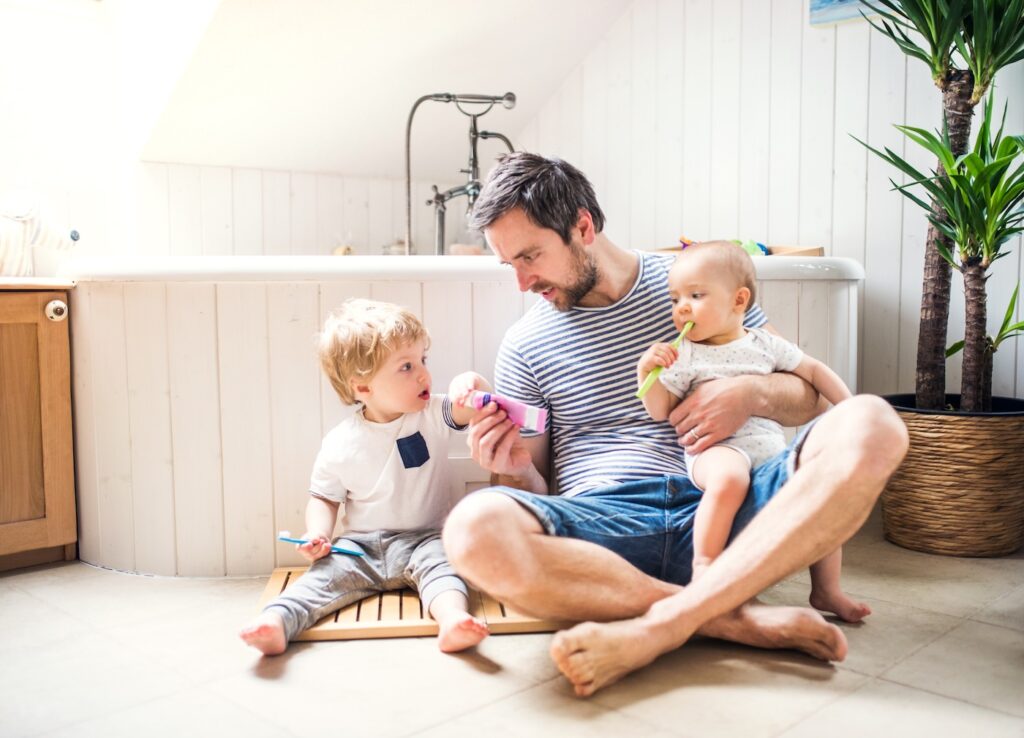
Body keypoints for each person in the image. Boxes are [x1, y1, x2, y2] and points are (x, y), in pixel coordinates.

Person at [441, 153, 908, 696]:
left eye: (531, 256)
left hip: (733, 503)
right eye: (509, 265)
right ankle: (728, 619)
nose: (522, 282)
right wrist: (514, 468)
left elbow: (805, 397)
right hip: (609, 530)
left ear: (583, 227)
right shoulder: (524, 345)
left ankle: (662, 625)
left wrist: (749, 391)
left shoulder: (694, 284)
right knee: (471, 528)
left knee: (872, 421)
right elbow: (538, 491)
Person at [240, 298, 491, 656]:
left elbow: (473, 404)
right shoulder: (341, 442)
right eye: (406, 366)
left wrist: (472, 382)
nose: (423, 374)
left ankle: (452, 620)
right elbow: (324, 498)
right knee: (320, 581)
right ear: (362, 388)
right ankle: (277, 622)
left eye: (423, 360)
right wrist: (319, 534)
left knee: (445, 570)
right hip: (358, 547)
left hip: (425, 539)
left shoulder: (432, 413)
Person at [638, 240, 868, 622]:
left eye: (695, 295)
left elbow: (813, 371)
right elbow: (660, 409)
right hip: (714, 451)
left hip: (769, 452)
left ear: (738, 300)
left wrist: (851, 409)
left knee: (821, 490)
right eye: (675, 298)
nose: (681, 308)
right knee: (729, 479)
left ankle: (827, 590)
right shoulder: (685, 354)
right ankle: (705, 569)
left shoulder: (765, 344)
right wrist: (648, 372)